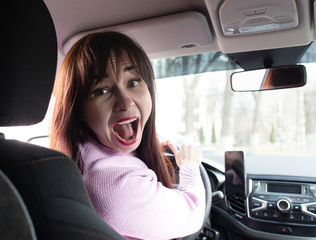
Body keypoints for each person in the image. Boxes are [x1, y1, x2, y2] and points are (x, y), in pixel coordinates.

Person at [50, 31, 205, 240]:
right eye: (102, 91)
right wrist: (189, 167)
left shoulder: (83, 149)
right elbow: (193, 214)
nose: (126, 102)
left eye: (133, 83)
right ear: (78, 110)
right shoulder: (116, 186)